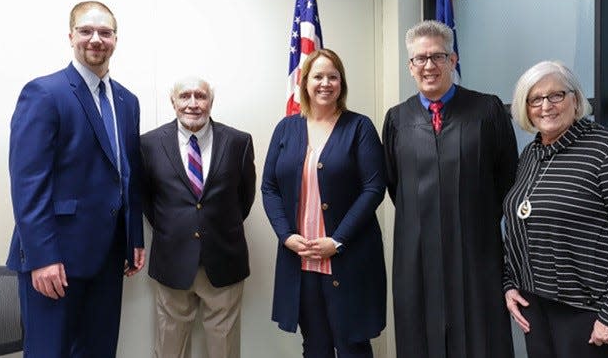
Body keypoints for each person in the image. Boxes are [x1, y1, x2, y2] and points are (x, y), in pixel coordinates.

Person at [6, 0, 145, 357]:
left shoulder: (128, 102)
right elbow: (29, 183)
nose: (96, 39)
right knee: (50, 352)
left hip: (108, 257)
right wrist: (42, 257)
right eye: (86, 30)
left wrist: (133, 237)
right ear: (71, 36)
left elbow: (128, 173)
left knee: (98, 351)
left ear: (116, 39)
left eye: (105, 32)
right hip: (56, 260)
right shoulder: (44, 93)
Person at [382, 20, 518, 358]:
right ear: (410, 66)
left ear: (453, 60)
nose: (429, 66)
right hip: (416, 251)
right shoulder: (397, 119)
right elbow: (394, 182)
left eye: (437, 57)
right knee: (419, 334)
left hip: (475, 248)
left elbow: (508, 177)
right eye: (420, 59)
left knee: (480, 334)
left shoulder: (487, 110)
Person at [503, 61, 608, 357]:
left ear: (575, 99)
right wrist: (510, 283)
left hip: (589, 314)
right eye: (535, 99)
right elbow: (519, 224)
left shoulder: (607, 151)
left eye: (556, 95)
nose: (546, 106)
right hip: (536, 308)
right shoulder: (531, 154)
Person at [261, 48, 387, 358]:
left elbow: (373, 188)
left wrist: (338, 240)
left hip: (349, 258)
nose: (325, 83)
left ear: (342, 83)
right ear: (304, 82)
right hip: (301, 261)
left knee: (352, 346)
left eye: (333, 76)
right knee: (315, 347)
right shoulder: (286, 128)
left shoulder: (360, 127)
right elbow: (269, 187)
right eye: (318, 76)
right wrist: (286, 236)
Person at [141, 77, 256, 358]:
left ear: (210, 102)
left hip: (224, 260)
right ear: (173, 101)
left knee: (225, 349)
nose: (193, 104)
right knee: (169, 348)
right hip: (172, 261)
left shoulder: (238, 142)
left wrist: (214, 228)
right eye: (185, 96)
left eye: (201, 96)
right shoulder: (149, 144)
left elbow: (245, 198)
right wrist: (176, 230)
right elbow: (146, 200)